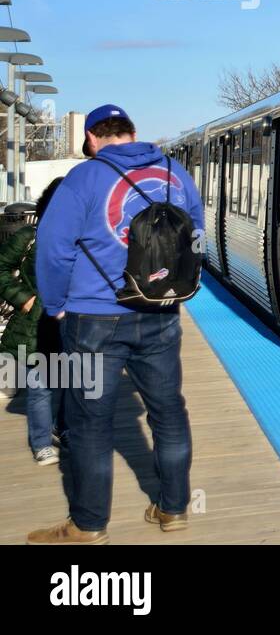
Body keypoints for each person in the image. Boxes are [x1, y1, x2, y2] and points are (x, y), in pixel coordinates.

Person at [26, 104, 205, 545]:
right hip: (160, 312)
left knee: (89, 424)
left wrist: (55, 305)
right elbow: (196, 233)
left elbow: (52, 247)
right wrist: (173, 284)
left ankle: (88, 526)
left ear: (90, 139)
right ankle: (174, 508)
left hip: (92, 318)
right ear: (133, 133)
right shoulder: (173, 171)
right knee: (168, 412)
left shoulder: (83, 179)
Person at [0, 178, 64, 465]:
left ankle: (60, 429)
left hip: (76, 321)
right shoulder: (30, 236)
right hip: (37, 321)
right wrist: (23, 298)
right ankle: (41, 442)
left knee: (71, 382)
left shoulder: (85, 237)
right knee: (41, 384)